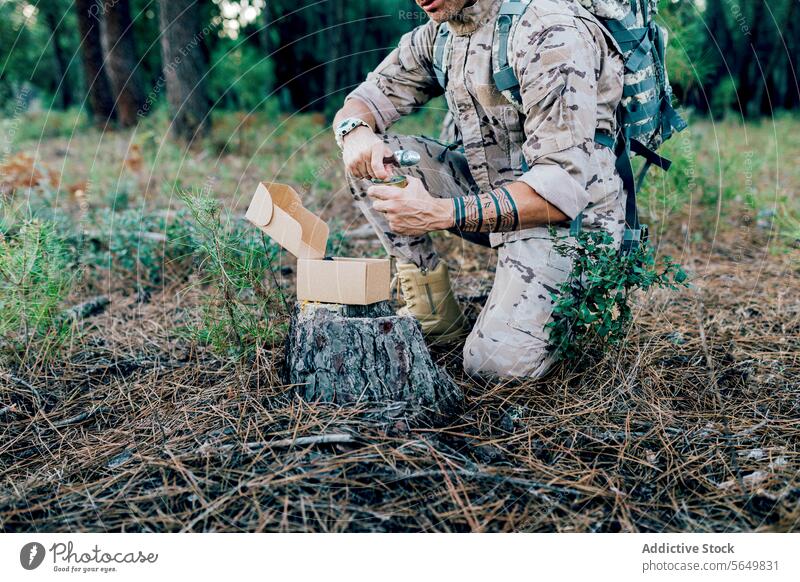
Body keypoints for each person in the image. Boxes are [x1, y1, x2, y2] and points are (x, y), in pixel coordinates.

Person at [332, 0, 625, 379]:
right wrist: (353, 133)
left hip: (572, 226)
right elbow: (367, 98)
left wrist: (439, 213)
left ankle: (573, 317)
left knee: (493, 366)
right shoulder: (444, 28)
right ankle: (435, 312)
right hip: (497, 204)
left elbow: (561, 191)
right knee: (372, 160)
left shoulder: (548, 31)